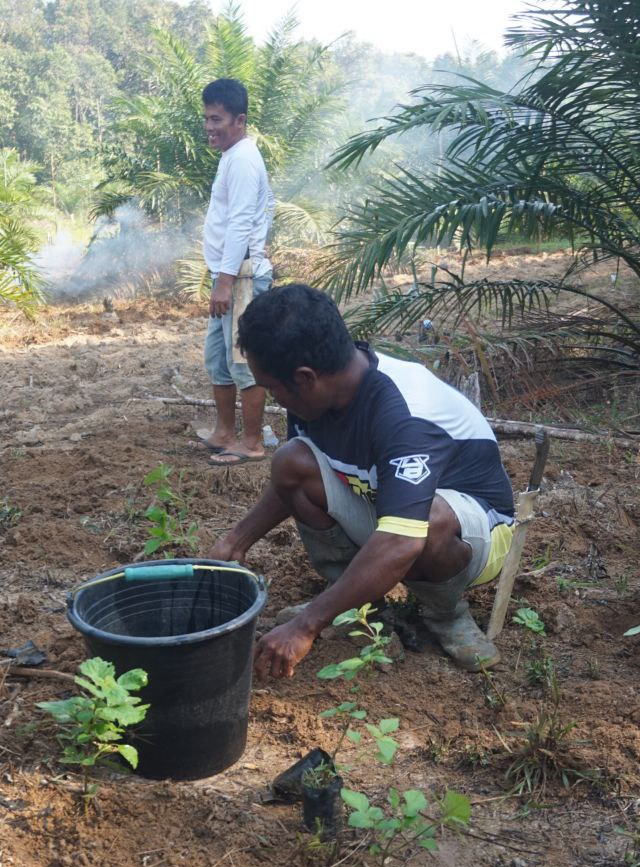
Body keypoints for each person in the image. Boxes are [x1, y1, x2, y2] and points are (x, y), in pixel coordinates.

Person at [209, 284, 516, 680]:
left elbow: (402, 539)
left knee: (428, 521)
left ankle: (446, 612)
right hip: (391, 512)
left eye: (271, 388)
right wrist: (235, 542)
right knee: (292, 460)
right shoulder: (317, 393)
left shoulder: (404, 412)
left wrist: (305, 625)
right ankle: (359, 605)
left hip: (477, 535)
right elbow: (294, 481)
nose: (273, 398)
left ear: (304, 378)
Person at [200, 77, 275, 465]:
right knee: (218, 358)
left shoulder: (244, 159)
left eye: (217, 119)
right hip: (228, 274)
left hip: (242, 276)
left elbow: (242, 222)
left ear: (240, 120)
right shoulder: (232, 156)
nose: (209, 127)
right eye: (206, 118)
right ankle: (225, 432)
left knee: (243, 360)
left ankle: (252, 442)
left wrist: (227, 281)